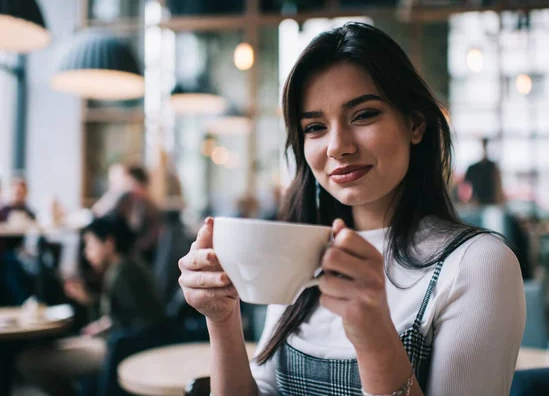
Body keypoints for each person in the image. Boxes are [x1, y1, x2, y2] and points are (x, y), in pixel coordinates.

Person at [178, 23, 525, 396]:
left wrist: (374, 333)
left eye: (363, 115)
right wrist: (223, 318)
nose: (337, 147)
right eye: (315, 126)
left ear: (415, 124)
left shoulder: (478, 264)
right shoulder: (297, 247)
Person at [17, 215, 165, 396]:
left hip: (117, 350)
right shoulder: (129, 264)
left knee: (29, 362)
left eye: (90, 244)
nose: (87, 253)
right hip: (118, 344)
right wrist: (89, 301)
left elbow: (140, 323)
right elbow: (124, 315)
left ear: (109, 243)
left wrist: (102, 326)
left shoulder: (122, 273)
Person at [112, 164, 161, 264]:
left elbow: (149, 241)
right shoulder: (135, 204)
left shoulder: (149, 208)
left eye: (129, 183)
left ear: (139, 184)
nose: (127, 188)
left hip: (144, 259)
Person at [0, 177, 36, 305]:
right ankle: (23, 301)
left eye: (21, 193)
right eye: (16, 192)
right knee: (9, 263)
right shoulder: (3, 211)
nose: (18, 195)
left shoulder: (28, 212)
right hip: (6, 251)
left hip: (21, 252)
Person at [464, 138, 505, 206]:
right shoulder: (472, 168)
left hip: (491, 203)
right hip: (477, 204)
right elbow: (466, 188)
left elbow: (498, 187)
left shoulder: (492, 167)